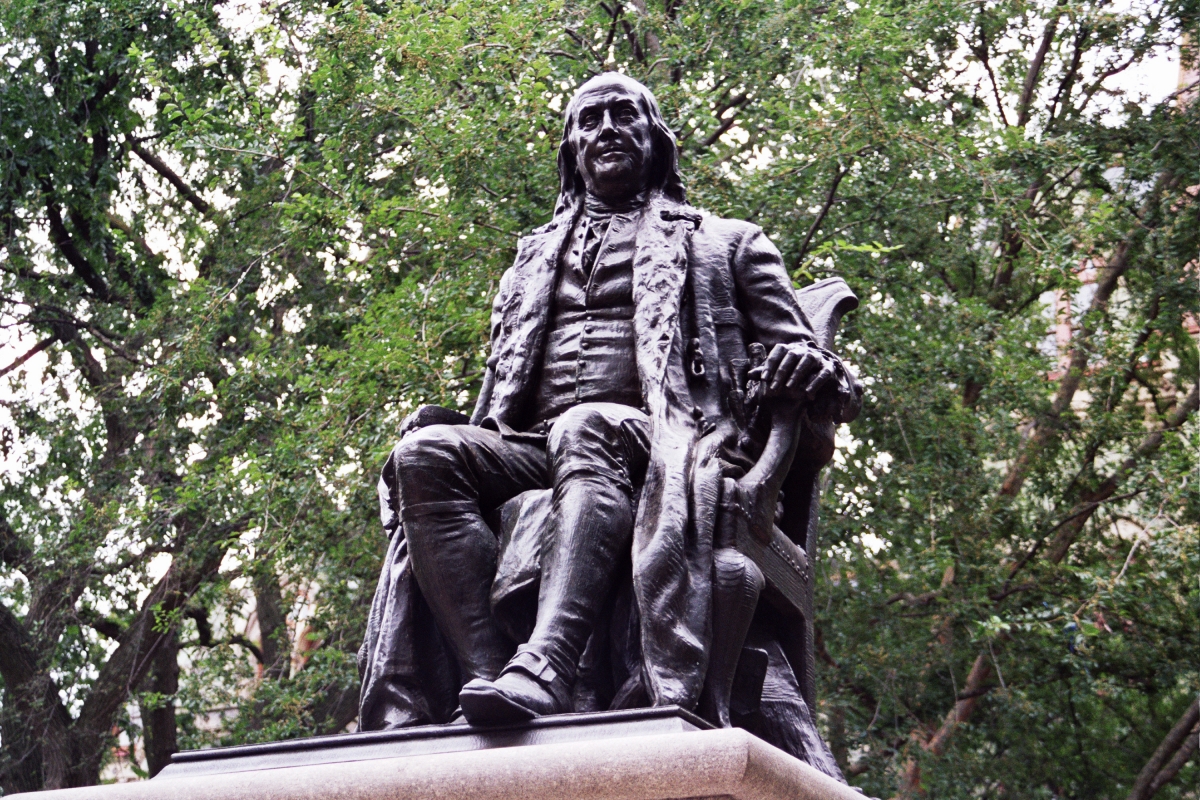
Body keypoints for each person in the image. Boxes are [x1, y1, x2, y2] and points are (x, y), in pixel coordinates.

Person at [358, 72, 860, 778]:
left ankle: (550, 661)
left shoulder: (727, 242)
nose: (607, 130)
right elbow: (501, 389)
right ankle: (490, 678)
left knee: (585, 425)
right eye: (589, 120)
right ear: (572, 148)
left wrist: (813, 370)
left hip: (671, 438)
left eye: (625, 115)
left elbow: (810, 359)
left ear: (657, 141)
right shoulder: (528, 261)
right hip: (534, 446)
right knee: (424, 454)